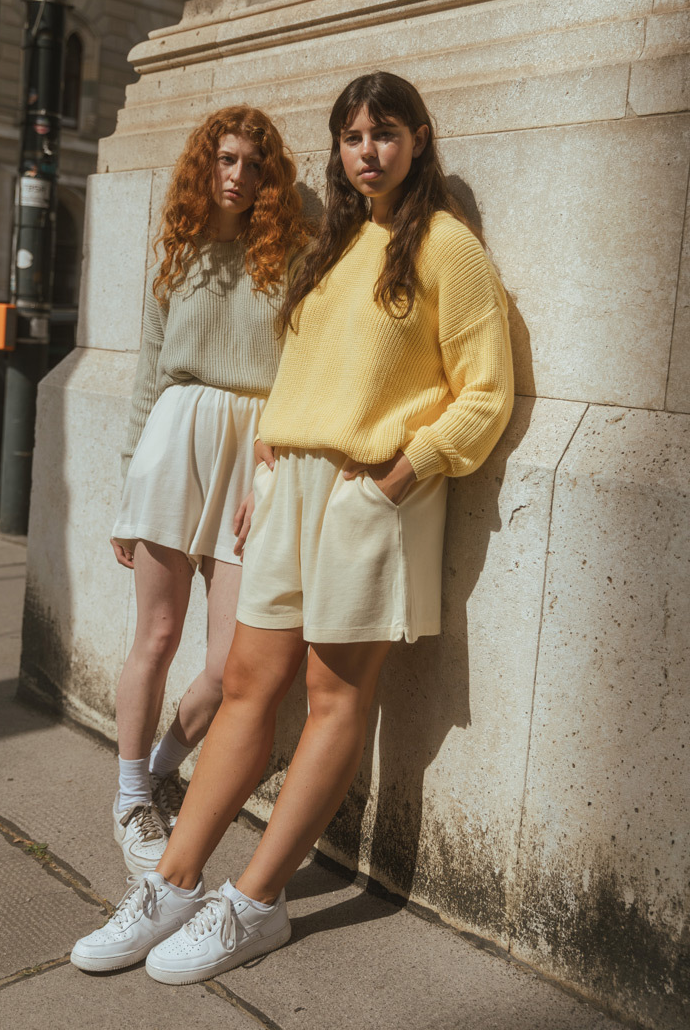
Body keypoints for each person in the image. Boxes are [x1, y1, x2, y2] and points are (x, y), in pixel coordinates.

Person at [71, 71, 514, 979]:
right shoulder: (333, 247)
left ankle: (256, 900)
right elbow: (298, 370)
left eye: (385, 134)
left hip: (368, 492)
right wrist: (268, 453)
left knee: (335, 700)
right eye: (353, 138)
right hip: (285, 487)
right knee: (245, 684)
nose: (368, 152)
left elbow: (486, 394)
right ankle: (175, 882)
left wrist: (397, 478)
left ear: (419, 140)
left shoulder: (446, 247)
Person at [104, 106, 308, 879]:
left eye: (255, 164)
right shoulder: (177, 253)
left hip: (252, 453)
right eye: (226, 159)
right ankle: (129, 795)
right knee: (154, 638)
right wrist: (128, 484)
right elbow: (145, 378)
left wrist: (278, 461)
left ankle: (160, 765)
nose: (239, 175)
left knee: (230, 664)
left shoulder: (288, 257)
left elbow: (299, 369)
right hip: (172, 440)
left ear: (271, 176)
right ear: (204, 163)